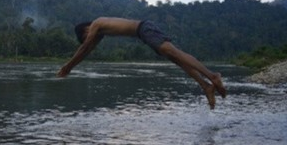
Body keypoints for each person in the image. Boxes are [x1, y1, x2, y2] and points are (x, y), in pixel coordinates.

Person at [57, 17, 226, 109]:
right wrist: (70, 67)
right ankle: (206, 86)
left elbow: (84, 47)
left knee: (174, 53)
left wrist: (67, 67)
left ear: (86, 30)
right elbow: (86, 51)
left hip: (144, 29)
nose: (89, 40)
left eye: (86, 37)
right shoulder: (99, 33)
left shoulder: (96, 23)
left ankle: (213, 76)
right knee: (176, 59)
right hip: (143, 35)